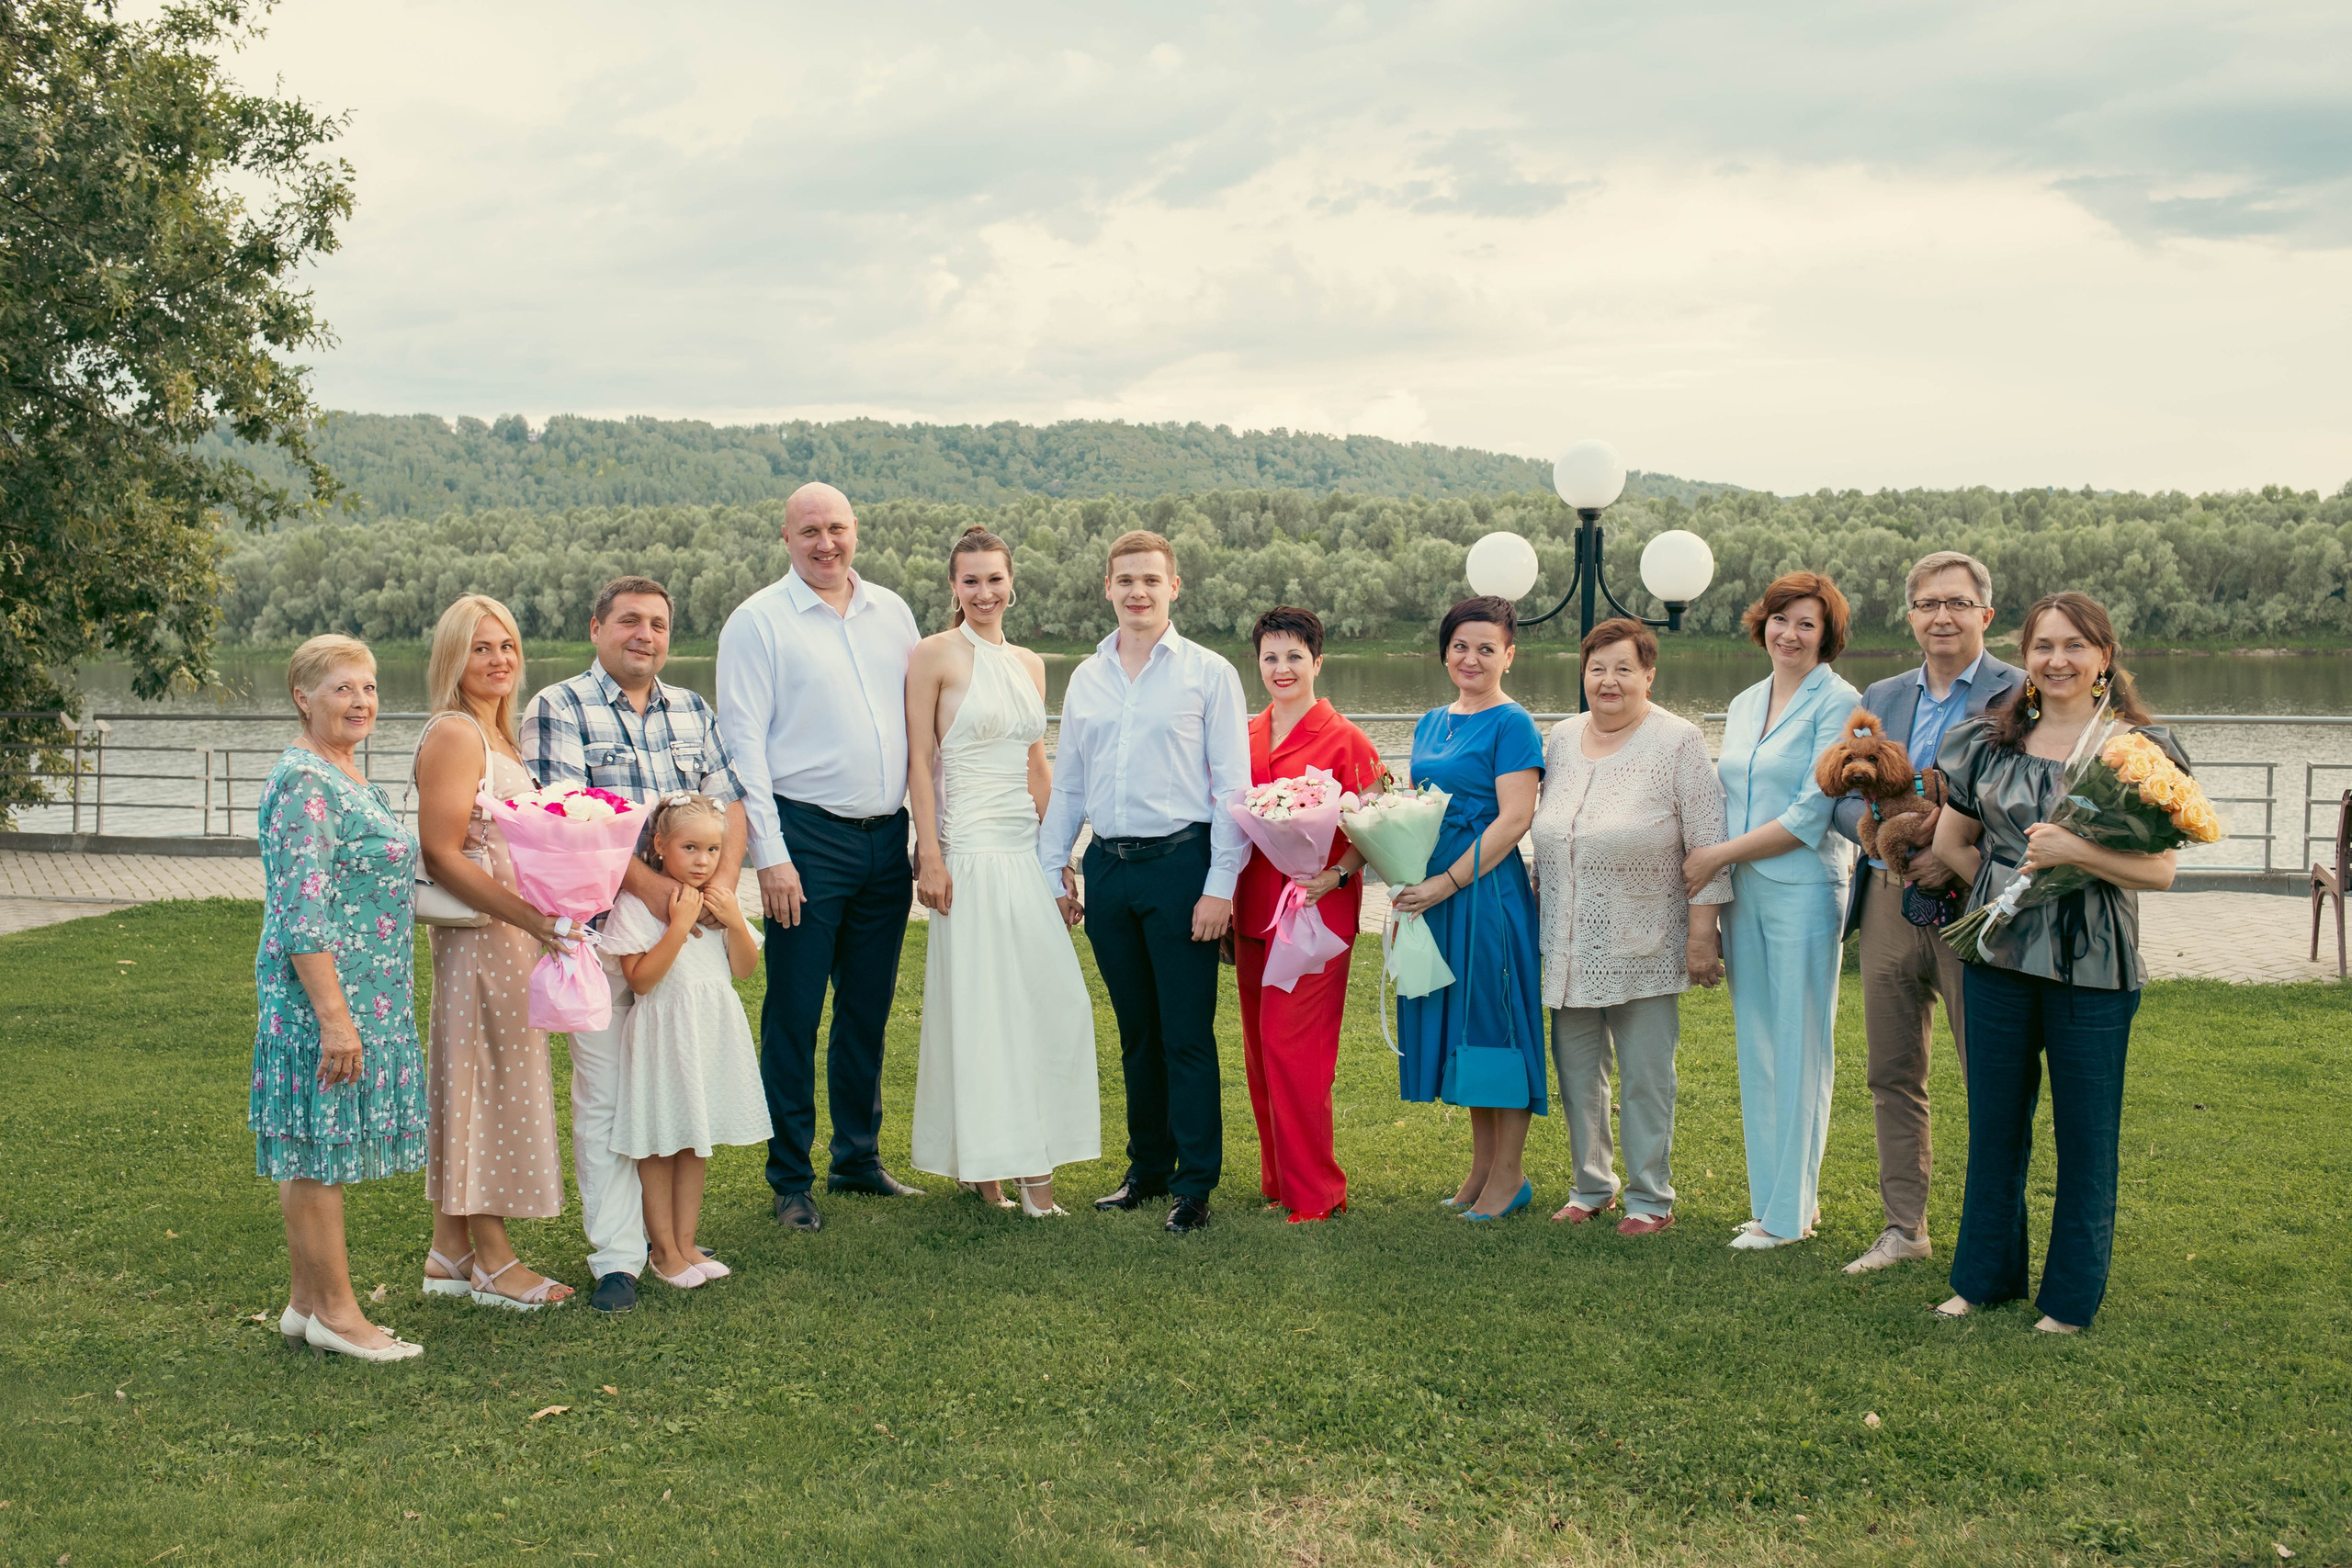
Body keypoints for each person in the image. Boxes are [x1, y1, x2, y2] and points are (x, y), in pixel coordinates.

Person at [1928, 592, 2183, 1333]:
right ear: (2027, 655)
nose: (2058, 659)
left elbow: (2161, 871)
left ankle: (2069, 1300)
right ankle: (1983, 1279)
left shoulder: (2137, 750)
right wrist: (2009, 895)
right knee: (1995, 1123)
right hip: (2000, 958)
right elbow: (1951, 842)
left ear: (2105, 655)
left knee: (2086, 1133)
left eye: (2075, 645)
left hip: (2094, 966)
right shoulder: (1993, 741)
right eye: (2043, 645)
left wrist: (2077, 856)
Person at [522, 576, 750, 1315]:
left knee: (672, 1083)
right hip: (600, 935)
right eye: (628, 621)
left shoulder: (692, 709)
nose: (643, 634)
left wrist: (722, 895)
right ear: (596, 628)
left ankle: (671, 1240)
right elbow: (568, 823)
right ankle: (618, 1254)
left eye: (656, 623)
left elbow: (730, 806)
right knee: (608, 1095)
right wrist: (665, 897)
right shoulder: (559, 707)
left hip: (691, 930)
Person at [716, 482, 927, 1235]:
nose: (825, 542)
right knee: (796, 1012)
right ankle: (790, 1176)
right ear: (786, 537)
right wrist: (770, 858)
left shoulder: (893, 613)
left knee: (866, 1008)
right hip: (806, 840)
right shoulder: (758, 623)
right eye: (810, 530)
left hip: (883, 838)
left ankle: (858, 1156)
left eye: (836, 527)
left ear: (856, 530)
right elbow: (743, 749)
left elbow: (918, 722)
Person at [1038, 528, 1250, 1235]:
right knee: (1135, 1032)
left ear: (1174, 587)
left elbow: (1233, 791)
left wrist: (1221, 884)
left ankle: (1195, 1184)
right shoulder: (1088, 677)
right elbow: (1068, 786)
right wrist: (1053, 867)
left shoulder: (1208, 673)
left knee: (1185, 1033)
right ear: (1107, 587)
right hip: (1109, 869)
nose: (1138, 591)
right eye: (1125, 579)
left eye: (1151, 580)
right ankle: (1147, 1169)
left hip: (1183, 867)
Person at [1827, 552, 2022, 1275]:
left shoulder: (2021, 692)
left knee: (1990, 1072)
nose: (1943, 616)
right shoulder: (1882, 692)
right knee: (1892, 1070)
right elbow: (1847, 788)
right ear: (1909, 615)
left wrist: (1951, 842)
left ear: (1985, 614)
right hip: (1886, 898)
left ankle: (1993, 1231)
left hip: (1972, 902)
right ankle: (1904, 1227)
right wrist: (1874, 829)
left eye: (1958, 603)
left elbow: (2034, 794)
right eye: (1928, 603)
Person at [906, 526, 1101, 1216]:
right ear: (953, 587)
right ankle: (993, 1174)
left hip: (1024, 851)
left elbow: (1037, 765)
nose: (984, 592)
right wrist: (930, 854)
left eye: (994, 579)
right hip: (967, 855)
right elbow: (921, 764)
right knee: (982, 1010)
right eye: (970, 581)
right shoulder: (933, 656)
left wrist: (1060, 863)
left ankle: (1015, 1163)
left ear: (1011, 582)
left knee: (1052, 1003)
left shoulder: (1030, 662)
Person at [252, 636, 427, 1361]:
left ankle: (303, 1303)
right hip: (325, 1003)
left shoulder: (345, 773)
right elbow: (302, 909)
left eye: (369, 689)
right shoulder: (306, 783)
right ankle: (339, 1314)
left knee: (311, 1148)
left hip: (367, 997)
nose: (361, 703)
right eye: (341, 690)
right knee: (317, 1153)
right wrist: (333, 1018)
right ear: (303, 695)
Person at [1530, 617, 1730, 1237]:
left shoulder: (1678, 741)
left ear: (1649, 674)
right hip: (1567, 943)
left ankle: (1650, 1197)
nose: (1608, 680)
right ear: (1582, 674)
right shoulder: (1561, 738)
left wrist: (1703, 937)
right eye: (1597, 667)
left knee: (1646, 1077)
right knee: (1578, 1071)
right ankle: (1591, 1185)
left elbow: (1709, 842)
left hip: (1645, 939)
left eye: (1623, 667)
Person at [1681, 571, 1861, 1250]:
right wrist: (1720, 866)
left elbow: (1811, 815)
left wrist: (1716, 854)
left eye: (1807, 624)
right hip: (1745, 891)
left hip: (1803, 890)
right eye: (1782, 619)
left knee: (1801, 1045)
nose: (1791, 633)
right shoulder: (1746, 697)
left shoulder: (1839, 701)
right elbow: (1729, 791)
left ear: (1827, 635)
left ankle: (1789, 1216)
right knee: (1757, 1041)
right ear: (1764, 622)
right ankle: (1773, 1204)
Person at [412, 594, 576, 1311]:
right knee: (487, 1085)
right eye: (481, 647)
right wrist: (534, 917)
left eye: (506, 645)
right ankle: (495, 1262)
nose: (499, 659)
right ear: (454, 658)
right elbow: (442, 854)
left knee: (487, 1077)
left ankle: (450, 1251)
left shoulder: (497, 736)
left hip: (510, 941)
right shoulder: (455, 733)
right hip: (483, 941)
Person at [1391, 596, 1547, 1222]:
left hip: (1484, 893)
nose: (1472, 657)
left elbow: (1514, 820)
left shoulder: (1514, 724)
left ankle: (1510, 1176)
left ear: (1509, 654)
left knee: (1494, 1024)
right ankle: (1481, 1170)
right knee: (1464, 1024)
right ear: (1445, 651)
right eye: (1461, 645)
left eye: (1487, 647)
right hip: (1435, 891)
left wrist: (1444, 884)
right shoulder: (1431, 720)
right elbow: (1417, 802)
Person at [1233, 606, 1383, 1224]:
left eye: (1295, 656)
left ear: (1318, 662)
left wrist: (1337, 873)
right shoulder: (1243, 734)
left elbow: (1376, 826)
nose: (1282, 668)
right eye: (1271, 656)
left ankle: (1317, 1190)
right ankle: (1280, 1179)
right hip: (1253, 913)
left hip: (1315, 915)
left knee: (1296, 1050)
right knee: (1260, 1051)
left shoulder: (1347, 739)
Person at [600, 794, 772, 1289]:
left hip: (709, 1033)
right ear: (659, 846)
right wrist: (677, 925)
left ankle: (688, 1241)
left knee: (694, 1142)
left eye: (713, 851)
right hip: (662, 1035)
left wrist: (736, 920)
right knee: (660, 1143)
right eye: (690, 848)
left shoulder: (720, 906)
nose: (702, 861)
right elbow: (641, 981)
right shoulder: (638, 906)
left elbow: (744, 968)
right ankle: (664, 1250)